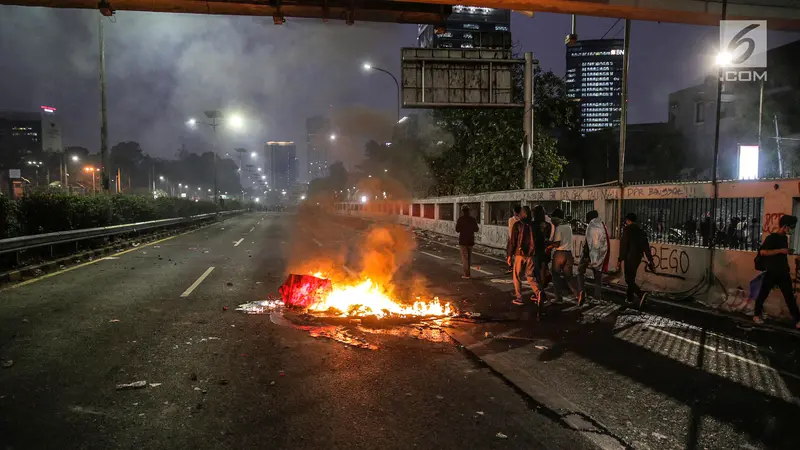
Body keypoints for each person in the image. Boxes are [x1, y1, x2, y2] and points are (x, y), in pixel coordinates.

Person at [753, 215, 800, 328]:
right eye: (791, 227)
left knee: (789, 297)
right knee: (763, 294)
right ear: (784, 226)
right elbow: (763, 252)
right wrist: (780, 250)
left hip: (783, 272)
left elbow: (781, 253)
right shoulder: (772, 238)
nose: (792, 230)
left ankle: (798, 320)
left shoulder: (784, 238)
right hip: (772, 271)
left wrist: (786, 252)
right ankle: (756, 315)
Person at [617, 213, 655, 307]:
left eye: (626, 220)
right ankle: (630, 298)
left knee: (628, 278)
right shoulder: (641, 231)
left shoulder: (627, 230)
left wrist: (620, 259)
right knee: (632, 278)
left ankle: (640, 294)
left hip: (629, 257)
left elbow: (624, 245)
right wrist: (650, 260)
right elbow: (646, 247)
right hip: (637, 257)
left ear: (628, 220)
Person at [507, 206, 543, 305]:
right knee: (530, 276)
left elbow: (513, 242)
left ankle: (519, 298)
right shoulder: (534, 225)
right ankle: (538, 292)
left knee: (517, 276)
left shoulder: (517, 225)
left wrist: (509, 255)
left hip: (519, 254)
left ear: (521, 214)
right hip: (531, 255)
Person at [577, 210, 610, 305]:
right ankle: (597, 298)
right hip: (600, 255)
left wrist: (587, 256)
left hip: (589, 254)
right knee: (598, 278)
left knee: (580, 272)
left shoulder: (591, 226)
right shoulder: (602, 225)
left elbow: (588, 242)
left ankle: (582, 292)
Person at [550, 208, 579, 303]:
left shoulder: (559, 227)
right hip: (569, 254)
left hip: (560, 254)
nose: (552, 221)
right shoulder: (568, 226)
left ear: (558, 218)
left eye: (553, 219)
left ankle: (558, 298)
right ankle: (578, 295)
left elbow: (557, 243)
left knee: (555, 275)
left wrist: (548, 246)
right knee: (569, 277)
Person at [455, 205, 479, 279]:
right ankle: (468, 273)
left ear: (462, 211)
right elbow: (476, 229)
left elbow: (457, 230)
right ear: (469, 211)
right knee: (469, 258)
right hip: (470, 241)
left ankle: (467, 275)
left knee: (465, 258)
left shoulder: (460, 219)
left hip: (463, 241)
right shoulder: (472, 219)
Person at [507, 205, 522, 273]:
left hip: (512, 238)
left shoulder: (511, 220)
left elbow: (510, 230)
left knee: (509, 252)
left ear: (514, 212)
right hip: (520, 239)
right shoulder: (521, 219)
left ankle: (511, 267)